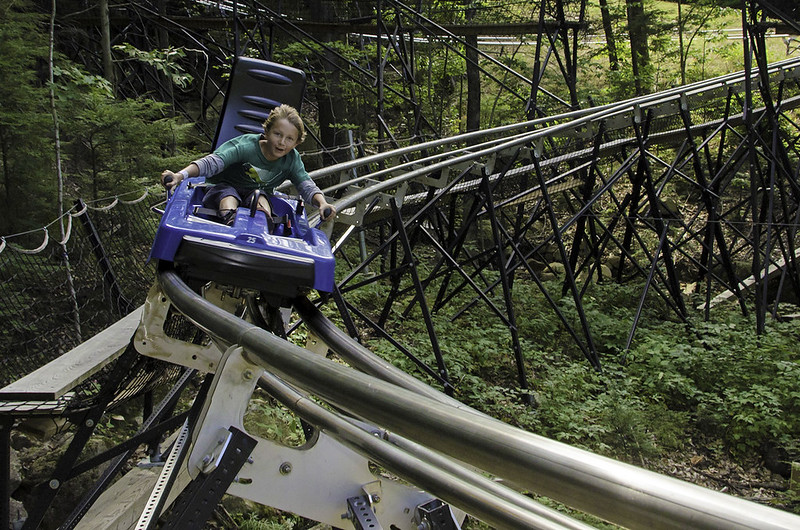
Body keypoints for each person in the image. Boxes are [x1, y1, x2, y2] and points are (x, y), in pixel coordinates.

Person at [161, 104, 336, 225]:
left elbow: (305, 184)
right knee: (228, 195)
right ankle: (230, 219)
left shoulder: (291, 159)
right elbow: (212, 162)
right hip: (224, 186)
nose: (282, 142)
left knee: (260, 197)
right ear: (266, 132)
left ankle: (261, 224)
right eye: (277, 134)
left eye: (289, 138)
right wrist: (179, 176)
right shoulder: (245, 147)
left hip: (255, 194)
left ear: (296, 143)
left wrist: (322, 204)